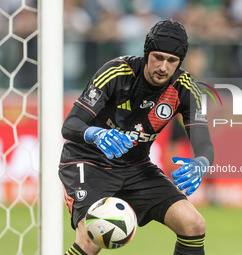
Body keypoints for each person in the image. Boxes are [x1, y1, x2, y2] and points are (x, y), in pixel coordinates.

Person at [59, 19, 214, 255]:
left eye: (171, 61)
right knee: (91, 240)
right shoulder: (117, 72)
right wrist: (96, 133)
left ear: (179, 62)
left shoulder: (185, 88)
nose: (163, 66)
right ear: (146, 53)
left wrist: (202, 163)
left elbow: (203, 142)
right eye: (158, 57)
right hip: (88, 161)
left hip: (135, 167)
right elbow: (71, 125)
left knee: (193, 224)